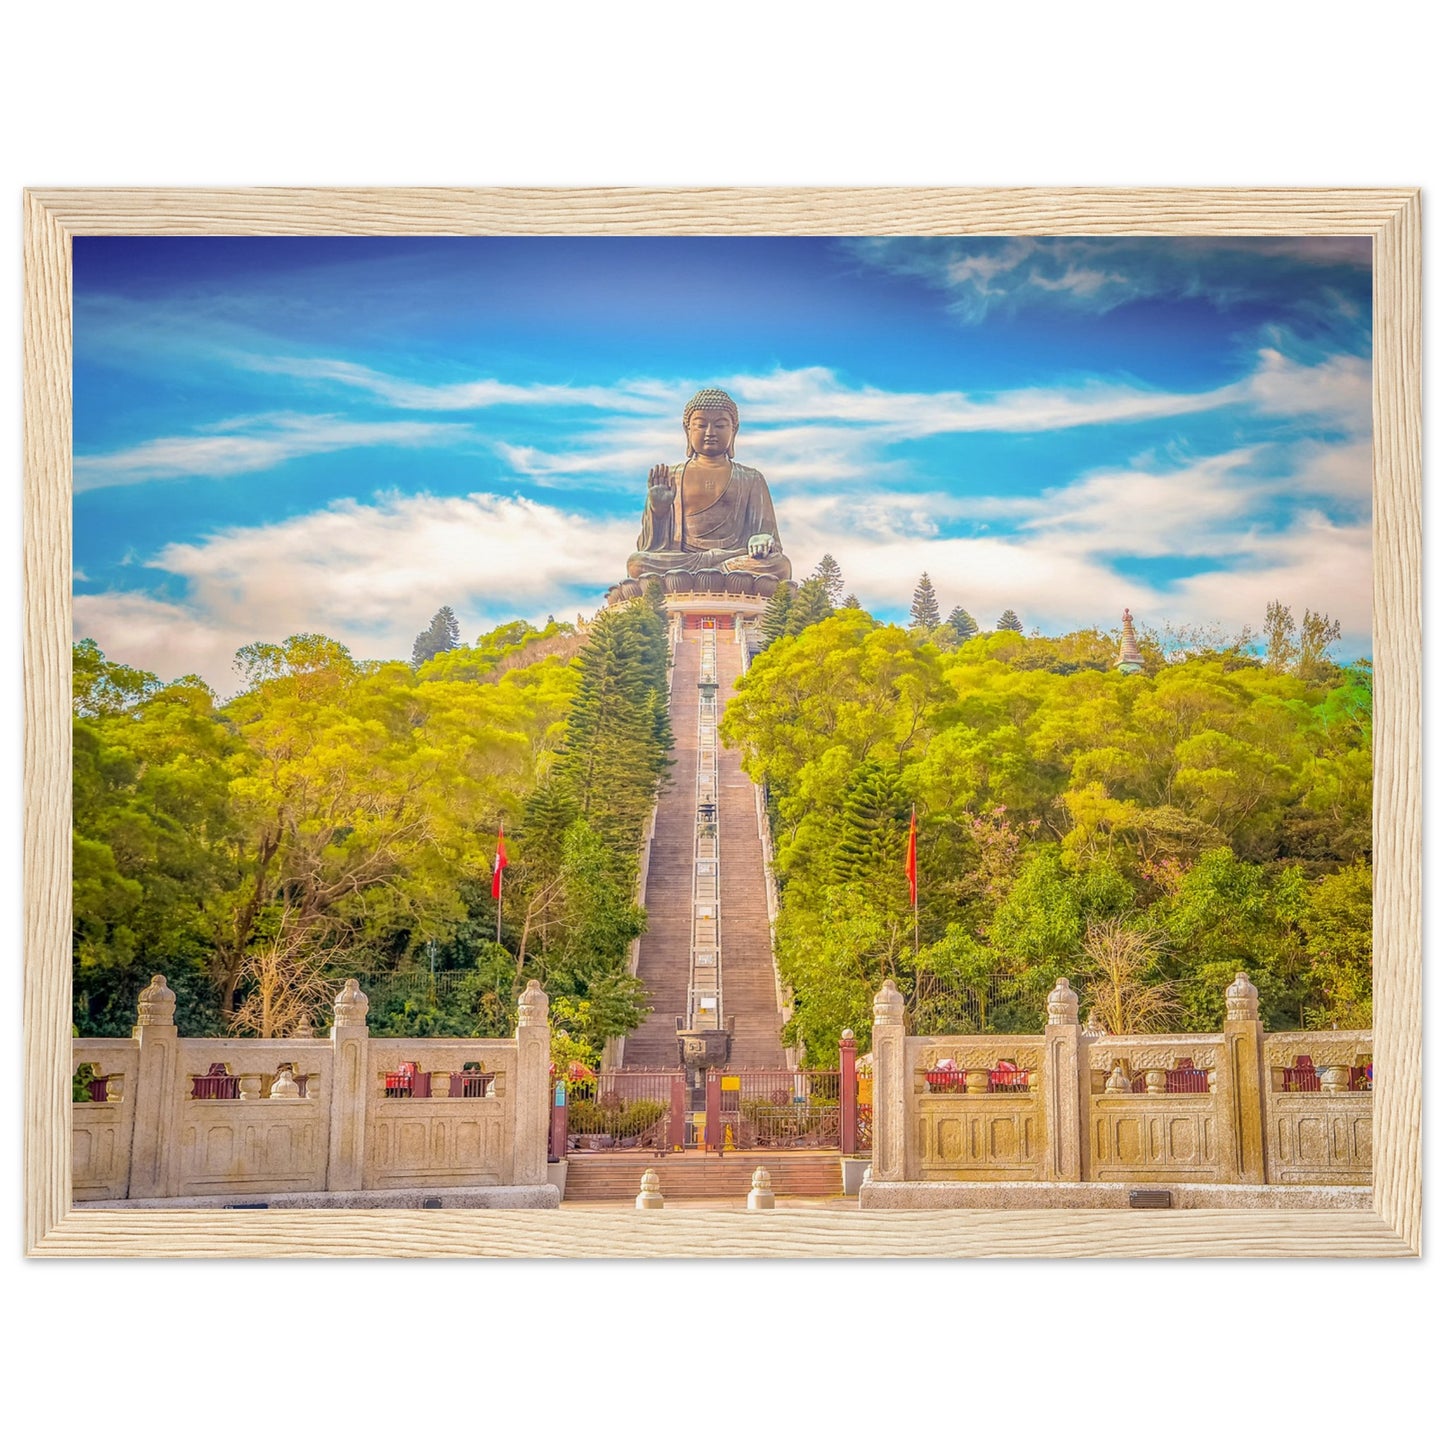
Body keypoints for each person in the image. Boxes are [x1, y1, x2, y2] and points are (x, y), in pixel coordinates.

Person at [626, 388, 792, 584]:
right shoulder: (671, 477)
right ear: (687, 430)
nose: (710, 433)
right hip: (684, 562)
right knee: (637, 563)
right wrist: (658, 511)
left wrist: (762, 539)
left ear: (734, 430)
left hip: (733, 559)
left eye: (720, 425)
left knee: (780, 565)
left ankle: (712, 576)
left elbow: (767, 537)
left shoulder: (751, 478)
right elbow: (649, 548)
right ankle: (716, 577)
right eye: (701, 425)